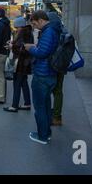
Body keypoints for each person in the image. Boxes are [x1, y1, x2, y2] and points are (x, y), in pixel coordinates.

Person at [24, 10, 61, 145]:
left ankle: (42, 136)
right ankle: (47, 133)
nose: (34, 27)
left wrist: (30, 48)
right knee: (45, 106)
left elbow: (42, 52)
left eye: (34, 24)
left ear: (40, 20)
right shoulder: (54, 30)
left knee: (40, 108)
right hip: (50, 73)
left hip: (42, 74)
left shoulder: (48, 31)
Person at [4, 17, 33, 113]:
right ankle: (27, 103)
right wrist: (12, 44)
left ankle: (14, 106)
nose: (16, 29)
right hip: (25, 62)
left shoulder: (23, 33)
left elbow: (21, 48)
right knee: (24, 83)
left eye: (17, 27)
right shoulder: (27, 32)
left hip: (20, 63)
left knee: (16, 83)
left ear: (20, 26)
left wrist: (12, 46)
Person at [47, 12, 66, 126]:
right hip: (61, 65)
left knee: (48, 90)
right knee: (58, 91)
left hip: (53, 65)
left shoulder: (51, 32)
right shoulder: (62, 30)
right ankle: (57, 117)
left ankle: (51, 116)